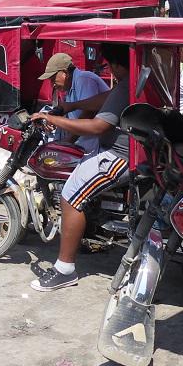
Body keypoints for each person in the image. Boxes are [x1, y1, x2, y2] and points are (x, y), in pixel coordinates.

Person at [28, 43, 132, 291]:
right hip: (123, 149)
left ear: (118, 65)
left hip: (119, 154)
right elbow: (105, 99)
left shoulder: (124, 84)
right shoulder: (130, 83)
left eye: (111, 66)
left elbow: (97, 126)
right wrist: (70, 107)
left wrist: (52, 118)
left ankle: (65, 270)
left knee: (71, 195)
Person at [36, 52, 109, 153]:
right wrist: (52, 119)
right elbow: (68, 110)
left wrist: (68, 141)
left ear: (65, 73)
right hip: (87, 140)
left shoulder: (84, 79)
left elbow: (88, 113)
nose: (52, 85)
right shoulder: (69, 87)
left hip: (101, 144)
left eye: (53, 80)